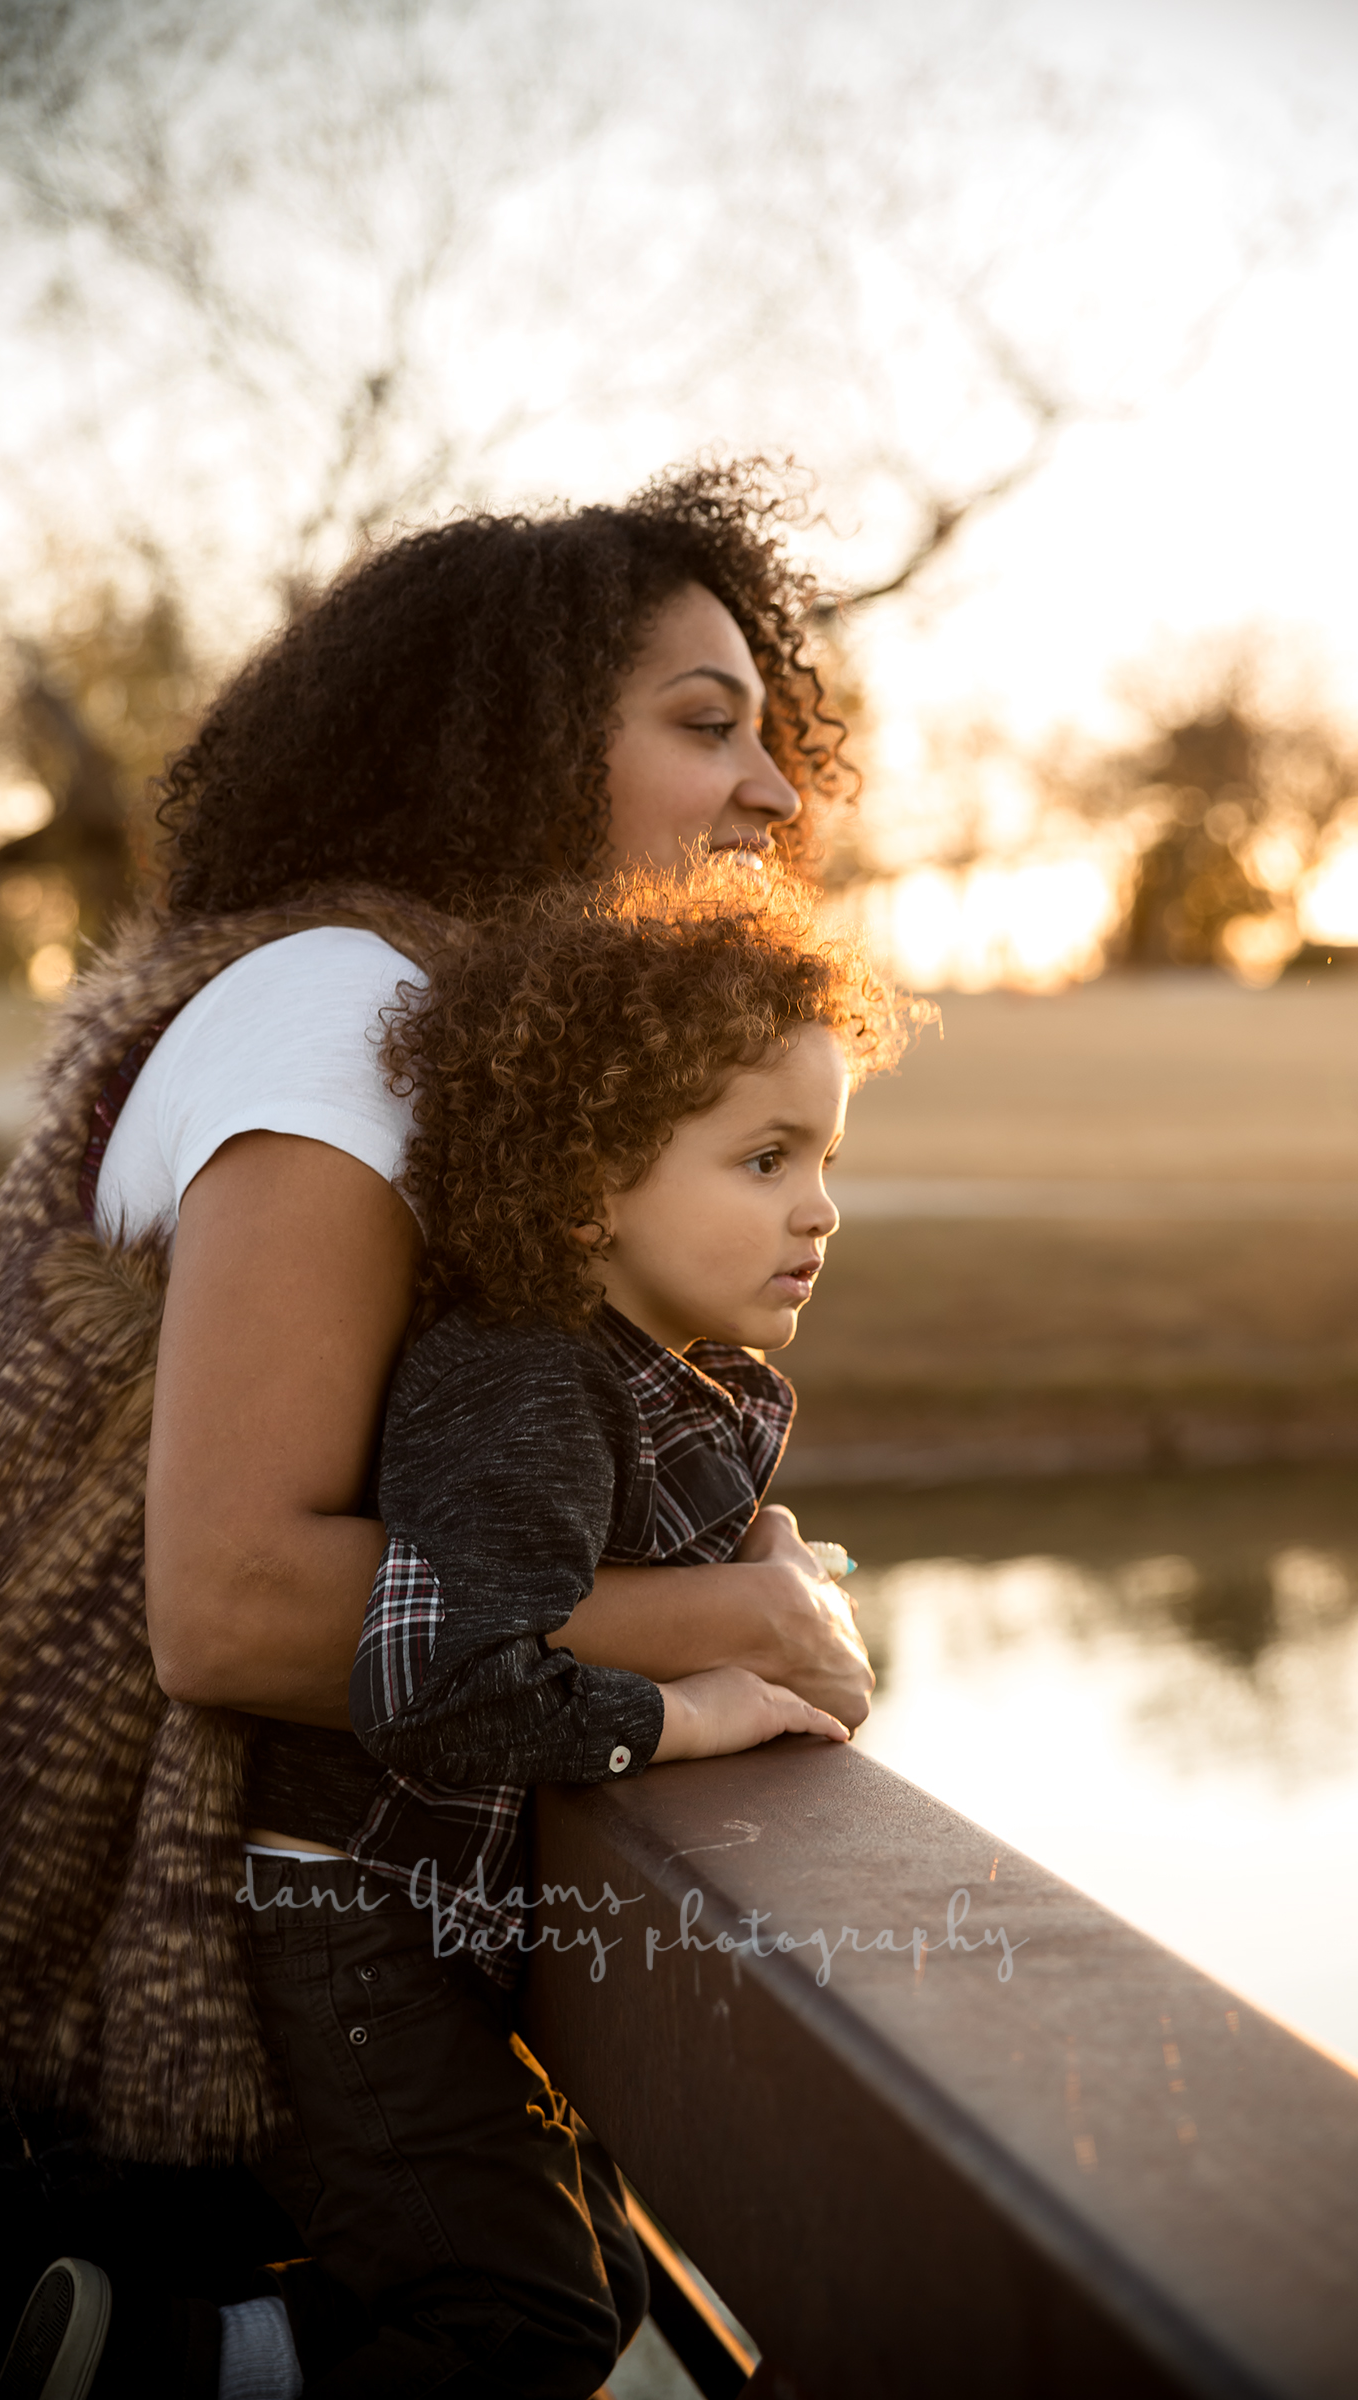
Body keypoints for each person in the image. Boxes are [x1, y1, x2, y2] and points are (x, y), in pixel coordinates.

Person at [0, 464, 878, 2396]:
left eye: (772, 736)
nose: (776, 795)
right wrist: (736, 1627)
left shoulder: (443, 1021)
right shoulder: (344, 1014)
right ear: (510, 749)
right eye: (703, 727)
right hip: (185, 1988)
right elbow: (222, 1604)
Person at [231, 863, 919, 2397]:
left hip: (432, 1912)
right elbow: (439, 1689)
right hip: (362, 1920)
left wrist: (765, 1563)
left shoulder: (655, 1374)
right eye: (763, 1159)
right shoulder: (524, 1383)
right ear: (588, 1184)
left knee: (599, 2277)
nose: (819, 1205)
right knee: (522, 2317)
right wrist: (705, 1711)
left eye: (827, 1157)